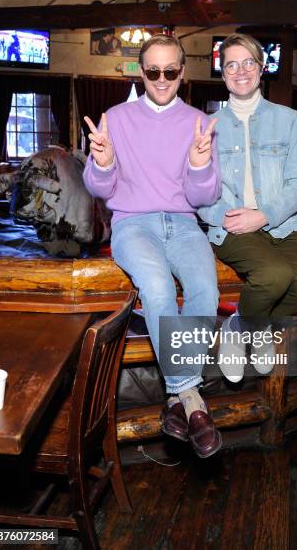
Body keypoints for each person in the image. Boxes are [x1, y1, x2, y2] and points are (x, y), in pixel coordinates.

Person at [83, 34, 222, 458]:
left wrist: (199, 167)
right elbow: (97, 187)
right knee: (158, 289)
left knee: (206, 290)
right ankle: (192, 400)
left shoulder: (199, 122)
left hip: (182, 223)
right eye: (153, 70)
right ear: (140, 72)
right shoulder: (116, 118)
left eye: (171, 70)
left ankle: (176, 400)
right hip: (133, 223)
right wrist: (103, 164)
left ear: (183, 72)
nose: (162, 79)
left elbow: (206, 196)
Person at [198, 33, 297, 382]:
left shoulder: (290, 120)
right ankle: (240, 332)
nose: (240, 71)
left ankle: (252, 324)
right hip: (232, 224)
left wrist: (265, 213)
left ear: (262, 67)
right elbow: (197, 190)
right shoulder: (205, 127)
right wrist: (224, 216)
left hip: (283, 224)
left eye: (248, 62)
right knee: (274, 275)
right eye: (231, 65)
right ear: (222, 74)